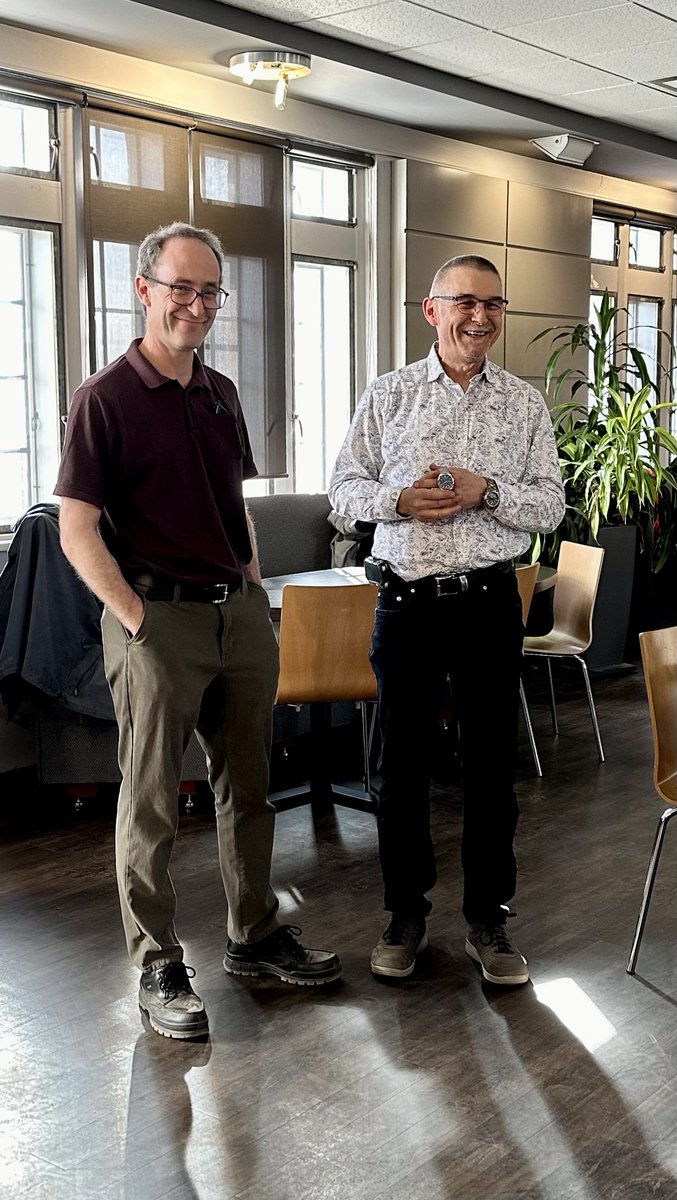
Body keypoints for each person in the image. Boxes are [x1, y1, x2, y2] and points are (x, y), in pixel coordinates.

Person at [56, 221, 340, 1040]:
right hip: (155, 620)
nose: (196, 303)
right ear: (143, 290)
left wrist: (248, 584)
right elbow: (77, 529)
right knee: (149, 803)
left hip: (235, 615)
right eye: (181, 286)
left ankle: (252, 936)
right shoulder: (103, 399)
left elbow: (232, 504)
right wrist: (137, 617)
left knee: (248, 789)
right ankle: (156, 963)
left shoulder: (221, 394)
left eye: (209, 289)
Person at [328, 254, 565, 986]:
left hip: (491, 601)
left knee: (491, 767)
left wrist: (486, 490)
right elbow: (341, 488)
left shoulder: (523, 404)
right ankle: (405, 914)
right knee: (399, 769)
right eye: (464, 302)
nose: (479, 317)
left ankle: (488, 919)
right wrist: (398, 501)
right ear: (430, 311)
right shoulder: (389, 395)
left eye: (492, 304)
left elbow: (550, 507)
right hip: (405, 603)